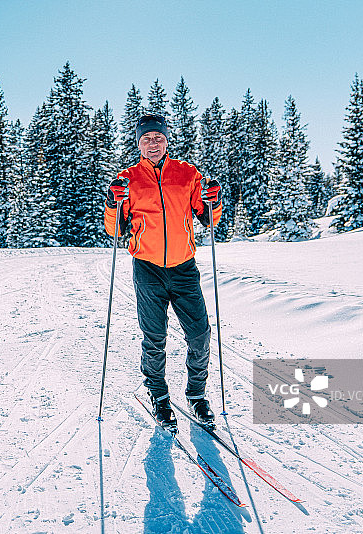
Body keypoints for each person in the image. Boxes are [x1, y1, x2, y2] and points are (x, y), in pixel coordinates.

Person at [103, 113, 222, 431]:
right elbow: (115, 230)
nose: (152, 144)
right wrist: (114, 204)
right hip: (148, 268)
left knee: (200, 336)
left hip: (184, 268)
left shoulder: (186, 174)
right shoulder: (127, 179)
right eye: (146, 139)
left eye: (158, 138)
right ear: (138, 143)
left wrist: (214, 200)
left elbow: (207, 217)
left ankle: (197, 396)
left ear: (166, 140)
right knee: (154, 339)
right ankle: (159, 397)